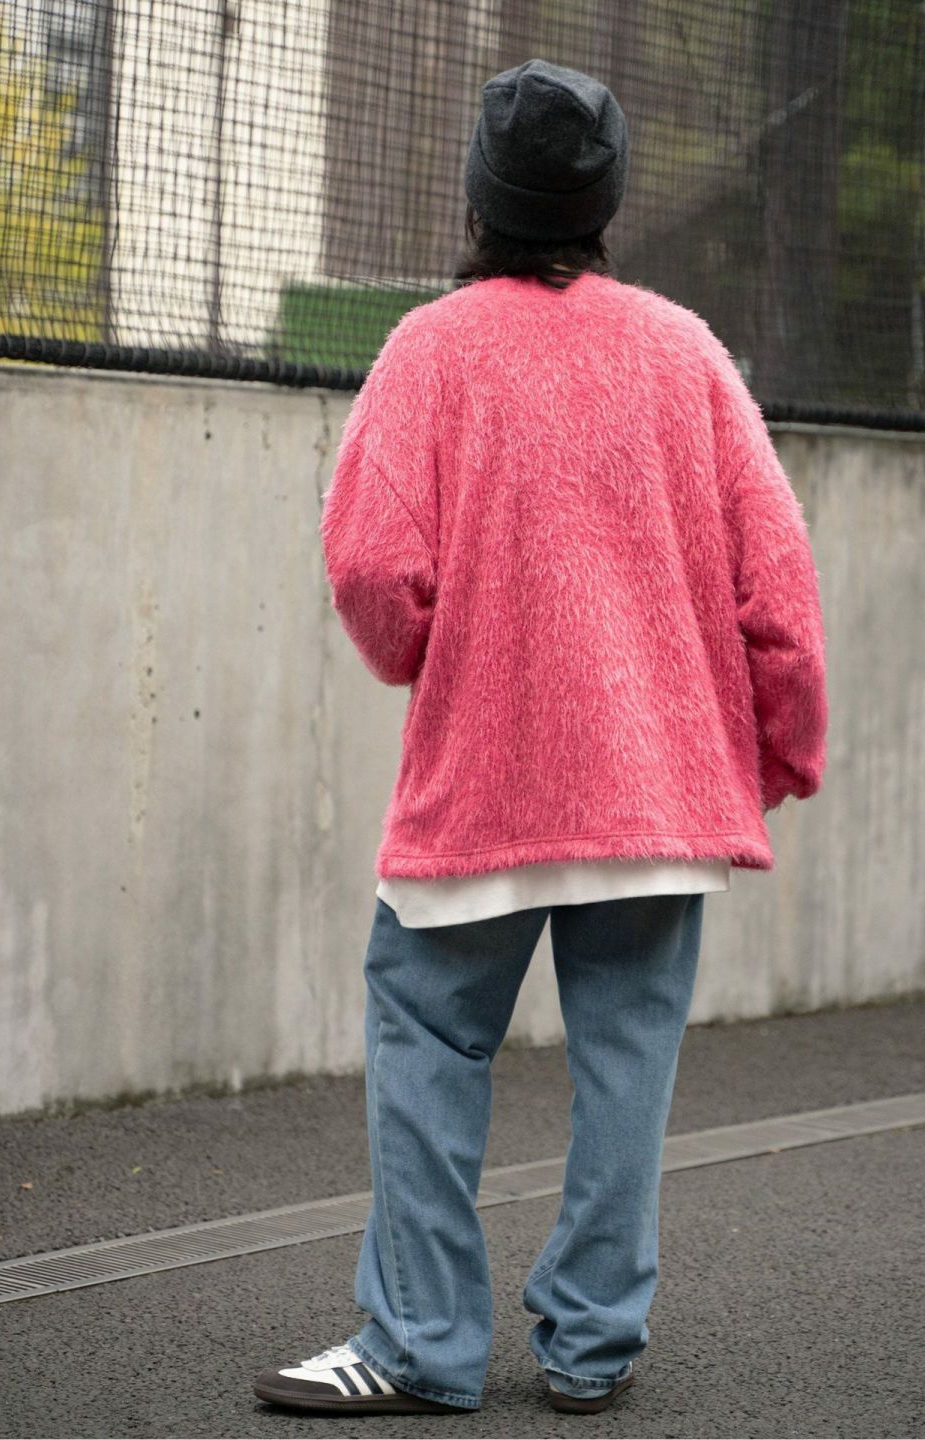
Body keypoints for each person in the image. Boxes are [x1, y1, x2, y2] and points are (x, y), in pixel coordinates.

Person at [254, 56, 828, 1418]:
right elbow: (781, 588)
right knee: (627, 1065)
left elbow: (371, 567)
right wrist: (778, 750)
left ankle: (420, 1343)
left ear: (480, 198)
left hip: (485, 783)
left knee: (426, 1042)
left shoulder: (431, 349)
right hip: (660, 794)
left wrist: (425, 654)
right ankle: (592, 1345)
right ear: (606, 201)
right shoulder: (688, 353)